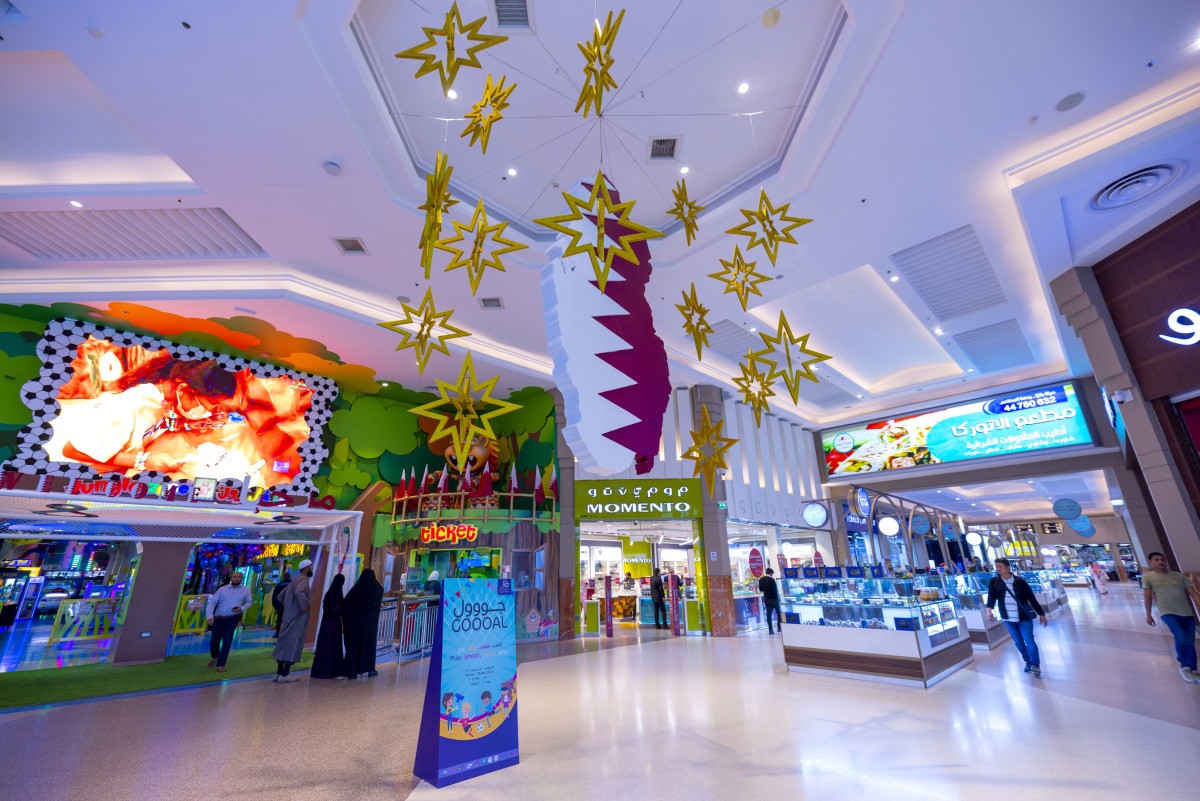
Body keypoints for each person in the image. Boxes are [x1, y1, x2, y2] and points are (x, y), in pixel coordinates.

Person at [1141, 551, 1200, 683]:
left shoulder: (1179, 576)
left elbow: (1193, 593)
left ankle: (1194, 669)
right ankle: (1184, 666)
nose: (1160, 562)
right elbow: (1148, 596)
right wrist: (1148, 615)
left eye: (1162, 559)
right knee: (1180, 637)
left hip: (1186, 613)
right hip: (1167, 612)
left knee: (1190, 641)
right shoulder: (1148, 577)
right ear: (1151, 562)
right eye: (1156, 560)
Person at [986, 557, 1047, 677]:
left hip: (1023, 617)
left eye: (1000, 567)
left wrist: (1041, 614)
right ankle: (1028, 662)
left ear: (1008, 567)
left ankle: (1035, 664)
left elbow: (1031, 598)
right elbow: (991, 597)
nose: (998, 569)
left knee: (1029, 641)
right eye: (996, 567)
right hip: (1008, 618)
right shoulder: (994, 582)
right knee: (1018, 642)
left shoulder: (1020, 581)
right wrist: (989, 610)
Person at [272, 559, 312, 683]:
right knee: (293, 644)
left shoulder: (294, 580)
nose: (312, 569)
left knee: (284, 644)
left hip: (288, 616)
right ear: (306, 568)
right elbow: (299, 592)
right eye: (311, 567)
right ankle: (285, 673)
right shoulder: (303, 580)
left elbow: (280, 596)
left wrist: (289, 606)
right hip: (297, 617)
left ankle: (278, 673)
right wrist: (303, 605)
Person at [205, 570, 251, 672]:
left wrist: (241, 608)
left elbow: (249, 602)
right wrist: (209, 616)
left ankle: (221, 665)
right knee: (214, 641)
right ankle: (215, 657)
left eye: (238, 577)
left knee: (227, 640)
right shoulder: (222, 590)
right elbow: (212, 603)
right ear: (231, 578)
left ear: (241, 578)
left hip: (233, 618)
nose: (236, 578)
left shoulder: (246, 590)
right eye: (235, 577)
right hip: (219, 618)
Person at [342, 568, 385, 678]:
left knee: (355, 645)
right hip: (370, 622)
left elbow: (346, 603)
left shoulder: (356, 589)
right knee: (369, 644)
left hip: (356, 622)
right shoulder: (377, 589)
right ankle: (370, 668)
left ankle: (352, 670)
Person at [310, 574, 346, 680]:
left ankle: (320, 669)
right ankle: (332, 670)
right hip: (334, 624)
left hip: (325, 623)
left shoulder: (329, 593)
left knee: (324, 646)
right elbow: (336, 610)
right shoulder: (338, 594)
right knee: (332, 646)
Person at [759, 567, 782, 635]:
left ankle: (770, 630)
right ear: (771, 573)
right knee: (779, 613)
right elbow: (775, 590)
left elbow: (761, 589)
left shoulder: (761, 579)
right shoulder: (772, 580)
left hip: (767, 599)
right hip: (774, 599)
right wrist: (777, 598)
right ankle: (779, 628)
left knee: (769, 614)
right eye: (772, 574)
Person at [271, 570, 292, 638]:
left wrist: (274, 604)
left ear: (283, 577)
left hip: (280, 606)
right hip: (290, 605)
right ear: (289, 577)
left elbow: (274, 596)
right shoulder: (292, 584)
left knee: (280, 619)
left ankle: (278, 633)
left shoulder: (279, 585)